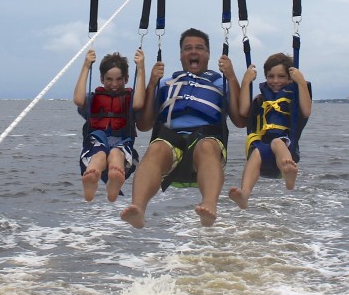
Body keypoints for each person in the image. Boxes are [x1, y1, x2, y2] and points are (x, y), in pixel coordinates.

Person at [120, 28, 243, 228]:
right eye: (188, 48)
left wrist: (232, 77)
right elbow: (143, 125)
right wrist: (151, 84)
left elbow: (240, 120)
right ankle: (138, 208)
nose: (193, 52)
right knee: (155, 148)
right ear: (180, 55)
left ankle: (209, 205)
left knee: (206, 147)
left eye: (199, 48)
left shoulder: (221, 82)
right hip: (170, 142)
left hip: (207, 139)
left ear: (208, 54)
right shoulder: (166, 83)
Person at [229, 52, 312, 209]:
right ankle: (244, 194)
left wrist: (301, 83)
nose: (275, 81)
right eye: (270, 76)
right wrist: (246, 82)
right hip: (264, 148)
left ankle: (289, 173)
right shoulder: (261, 100)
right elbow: (244, 111)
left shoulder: (294, 98)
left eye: (281, 76)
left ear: (289, 79)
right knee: (255, 154)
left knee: (276, 142)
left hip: (287, 147)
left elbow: (306, 111)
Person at [72, 48, 148, 202]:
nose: (114, 84)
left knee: (116, 154)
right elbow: (78, 100)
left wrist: (141, 69)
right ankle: (92, 175)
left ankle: (115, 176)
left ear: (126, 79)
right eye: (109, 79)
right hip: (97, 139)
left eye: (119, 79)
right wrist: (86, 65)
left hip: (122, 141)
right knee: (99, 153)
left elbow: (140, 103)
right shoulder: (93, 99)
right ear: (101, 79)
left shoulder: (131, 98)